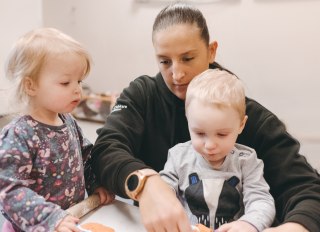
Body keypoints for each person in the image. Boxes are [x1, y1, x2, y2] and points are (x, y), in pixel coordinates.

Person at [91, 2, 320, 232]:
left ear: (211, 51)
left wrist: (294, 227)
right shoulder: (142, 96)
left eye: (188, 58)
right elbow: (106, 148)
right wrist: (145, 184)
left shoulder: (255, 119)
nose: (177, 74)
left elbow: (307, 189)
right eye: (164, 61)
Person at [0, 28, 115, 232]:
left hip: (69, 219)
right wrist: (50, 218)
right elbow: (9, 190)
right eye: (65, 83)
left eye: (79, 81)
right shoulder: (19, 134)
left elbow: (86, 158)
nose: (77, 89)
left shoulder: (68, 121)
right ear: (31, 85)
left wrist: (96, 183)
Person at [160, 69, 275, 232]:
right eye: (200, 133)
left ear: (241, 125)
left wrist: (248, 224)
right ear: (188, 120)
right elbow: (162, 191)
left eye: (221, 134)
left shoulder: (246, 161)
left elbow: (261, 200)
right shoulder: (179, 156)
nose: (210, 145)